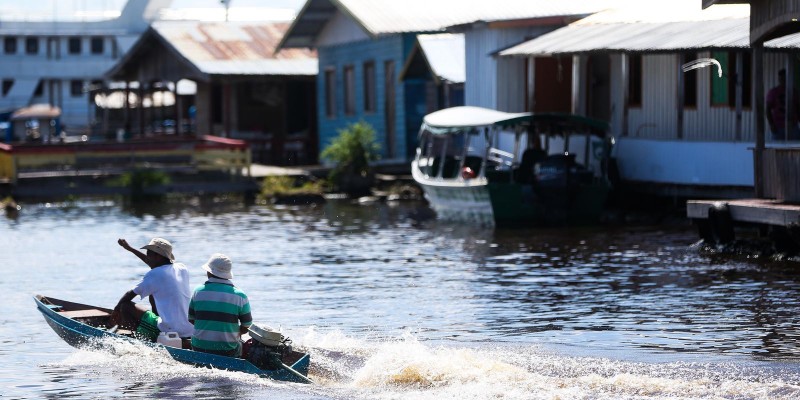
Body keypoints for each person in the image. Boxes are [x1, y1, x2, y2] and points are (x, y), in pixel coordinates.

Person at [111, 237, 194, 343]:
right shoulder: (182, 268)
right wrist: (130, 249)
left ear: (158, 256)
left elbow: (129, 294)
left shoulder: (154, 274)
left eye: (149, 254)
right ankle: (152, 329)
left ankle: (138, 340)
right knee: (152, 293)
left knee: (125, 306)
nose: (147, 257)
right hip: (190, 328)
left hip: (170, 329)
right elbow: (153, 264)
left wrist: (116, 311)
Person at [188, 253, 253, 357]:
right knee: (242, 344)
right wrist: (233, 333)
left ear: (209, 272)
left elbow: (191, 319)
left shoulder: (198, 291)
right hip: (228, 350)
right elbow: (247, 326)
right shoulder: (240, 295)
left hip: (198, 347)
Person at [766, 68, 800, 140]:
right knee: (777, 146)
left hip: (793, 126)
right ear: (779, 79)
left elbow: (798, 108)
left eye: (784, 78)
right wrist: (772, 124)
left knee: (795, 145)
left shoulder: (794, 92)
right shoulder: (773, 92)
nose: (783, 81)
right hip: (778, 126)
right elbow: (768, 109)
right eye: (781, 79)